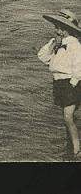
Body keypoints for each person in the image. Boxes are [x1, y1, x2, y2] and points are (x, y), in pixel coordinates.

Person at [37, 9, 81, 159]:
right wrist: (51, 45)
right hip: (59, 83)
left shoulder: (74, 44)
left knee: (68, 116)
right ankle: (70, 144)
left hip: (71, 83)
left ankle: (76, 150)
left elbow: (79, 65)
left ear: (66, 29)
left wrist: (74, 83)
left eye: (59, 27)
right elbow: (43, 57)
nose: (56, 30)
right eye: (56, 26)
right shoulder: (56, 43)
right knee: (66, 117)